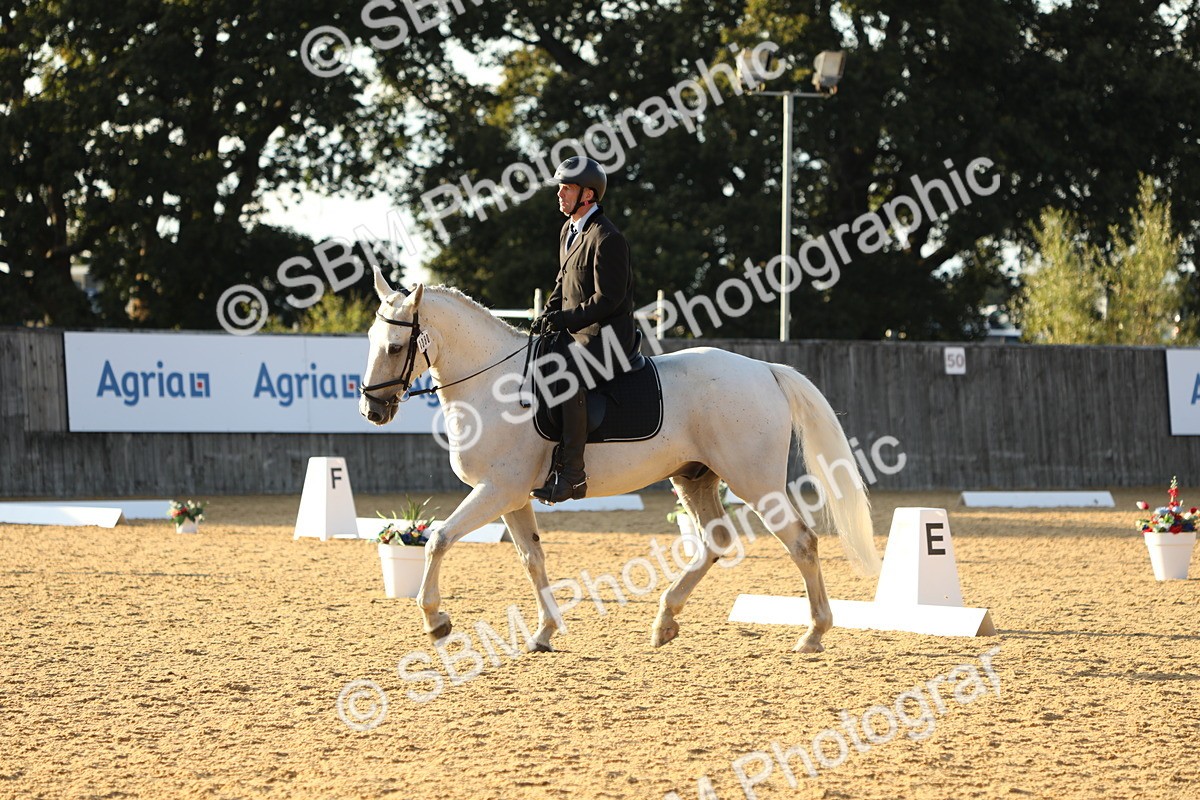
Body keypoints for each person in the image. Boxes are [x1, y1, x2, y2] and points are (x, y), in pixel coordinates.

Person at [530, 156, 636, 503]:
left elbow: (609, 300)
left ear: (588, 194)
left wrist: (566, 319)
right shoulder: (569, 231)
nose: (559, 194)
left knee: (566, 376)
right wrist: (548, 315)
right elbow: (563, 283)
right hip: (576, 333)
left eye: (567, 188)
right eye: (560, 188)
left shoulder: (608, 238)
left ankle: (573, 474)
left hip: (608, 339)